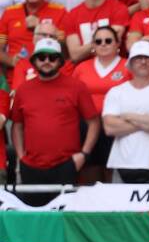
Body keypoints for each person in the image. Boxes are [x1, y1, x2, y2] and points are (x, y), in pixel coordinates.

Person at [11, 38, 98, 202]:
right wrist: (21, 157)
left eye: (52, 57)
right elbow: (17, 125)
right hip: (31, 166)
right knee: (34, 214)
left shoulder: (76, 86)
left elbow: (93, 122)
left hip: (67, 164)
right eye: (41, 57)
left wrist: (84, 154)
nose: (46, 61)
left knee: (65, 215)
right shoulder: (23, 89)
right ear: (34, 61)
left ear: (60, 61)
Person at [102, 40, 149, 184]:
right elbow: (110, 128)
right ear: (130, 63)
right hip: (121, 163)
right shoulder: (116, 92)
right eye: (138, 58)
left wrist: (129, 116)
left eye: (148, 58)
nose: (143, 62)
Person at [72, 26, 130, 184]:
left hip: (116, 127)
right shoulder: (81, 68)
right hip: (87, 127)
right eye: (98, 41)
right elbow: (72, 96)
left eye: (108, 40)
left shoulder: (128, 66)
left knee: (112, 171)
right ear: (93, 45)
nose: (103, 44)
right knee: (89, 171)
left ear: (118, 43)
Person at [0, 0, 66, 85]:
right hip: (16, 79)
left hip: (50, 76)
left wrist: (41, 26)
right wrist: (11, 60)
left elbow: (64, 46)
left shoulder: (59, 11)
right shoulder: (10, 12)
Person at [63, 0, 129, 65]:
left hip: (115, 66)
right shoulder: (72, 15)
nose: (102, 43)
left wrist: (89, 48)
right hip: (83, 68)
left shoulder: (118, 8)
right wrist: (99, 43)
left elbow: (111, 43)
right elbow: (75, 55)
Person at [9, 20, 58, 91]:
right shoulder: (22, 64)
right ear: (34, 38)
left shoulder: (61, 64)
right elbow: (18, 93)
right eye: (44, 35)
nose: (48, 39)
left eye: (52, 36)